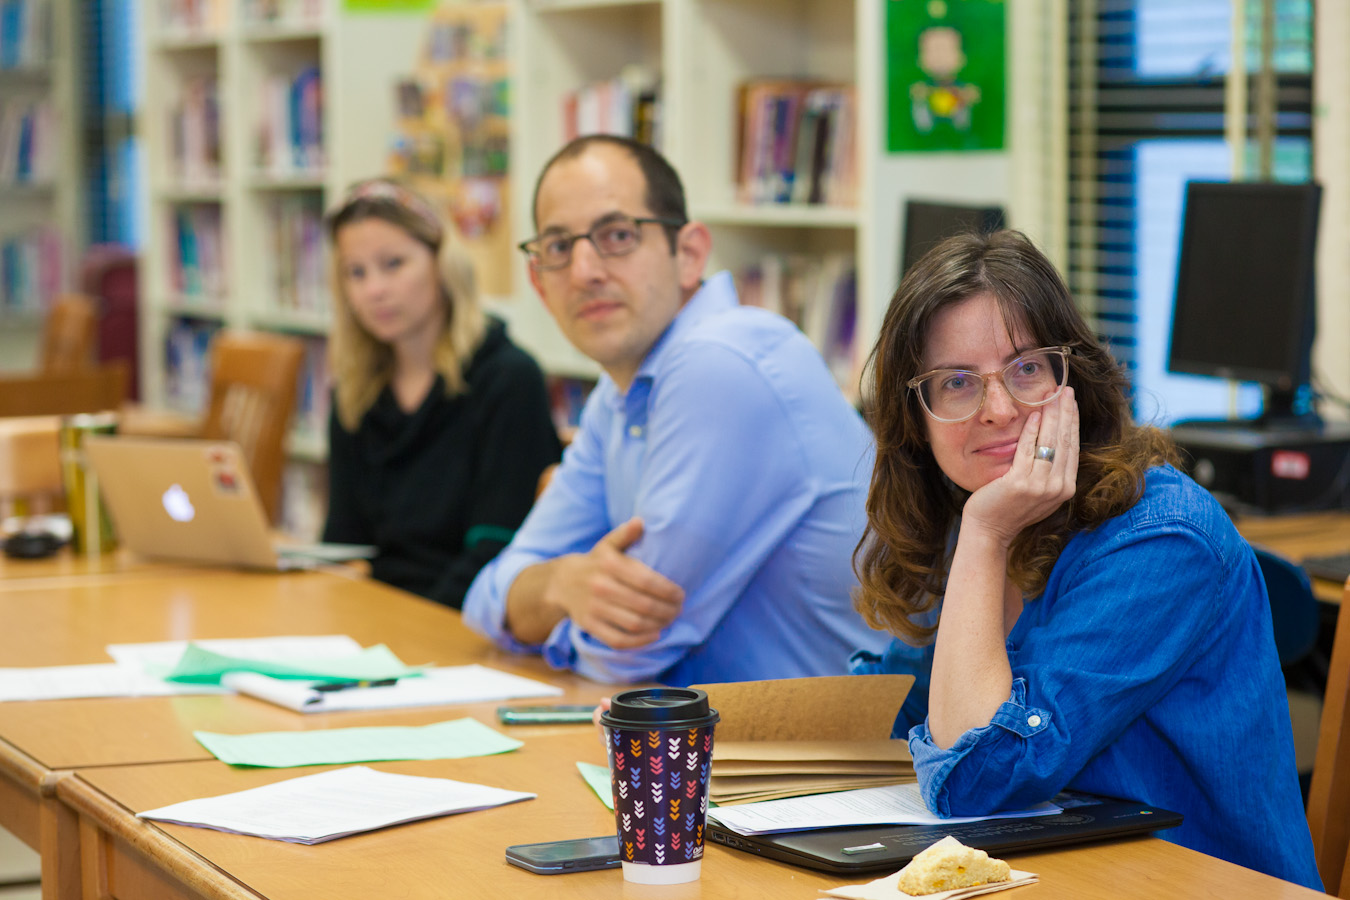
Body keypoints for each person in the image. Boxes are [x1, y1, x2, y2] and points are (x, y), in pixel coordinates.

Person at [850, 229, 1321, 889]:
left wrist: (986, 537)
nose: (999, 409)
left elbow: (980, 780)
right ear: (916, 414)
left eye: (1026, 369)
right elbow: (903, 714)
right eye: (956, 382)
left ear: (1072, 377)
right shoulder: (980, 503)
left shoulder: (1158, 539)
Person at [462, 135, 888, 685]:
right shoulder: (618, 394)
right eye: (559, 247)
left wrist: (548, 617)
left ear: (688, 253)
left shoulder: (720, 361)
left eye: (617, 235)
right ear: (539, 283)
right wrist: (560, 584)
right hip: (733, 752)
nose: (585, 270)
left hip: (852, 763)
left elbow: (628, 650)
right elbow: (488, 597)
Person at [322, 178, 561, 610]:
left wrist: (409, 630)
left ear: (441, 264)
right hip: (375, 621)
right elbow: (342, 543)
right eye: (355, 273)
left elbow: (499, 549)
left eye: (393, 264)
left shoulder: (509, 379)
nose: (374, 289)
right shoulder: (355, 391)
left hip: (463, 622)